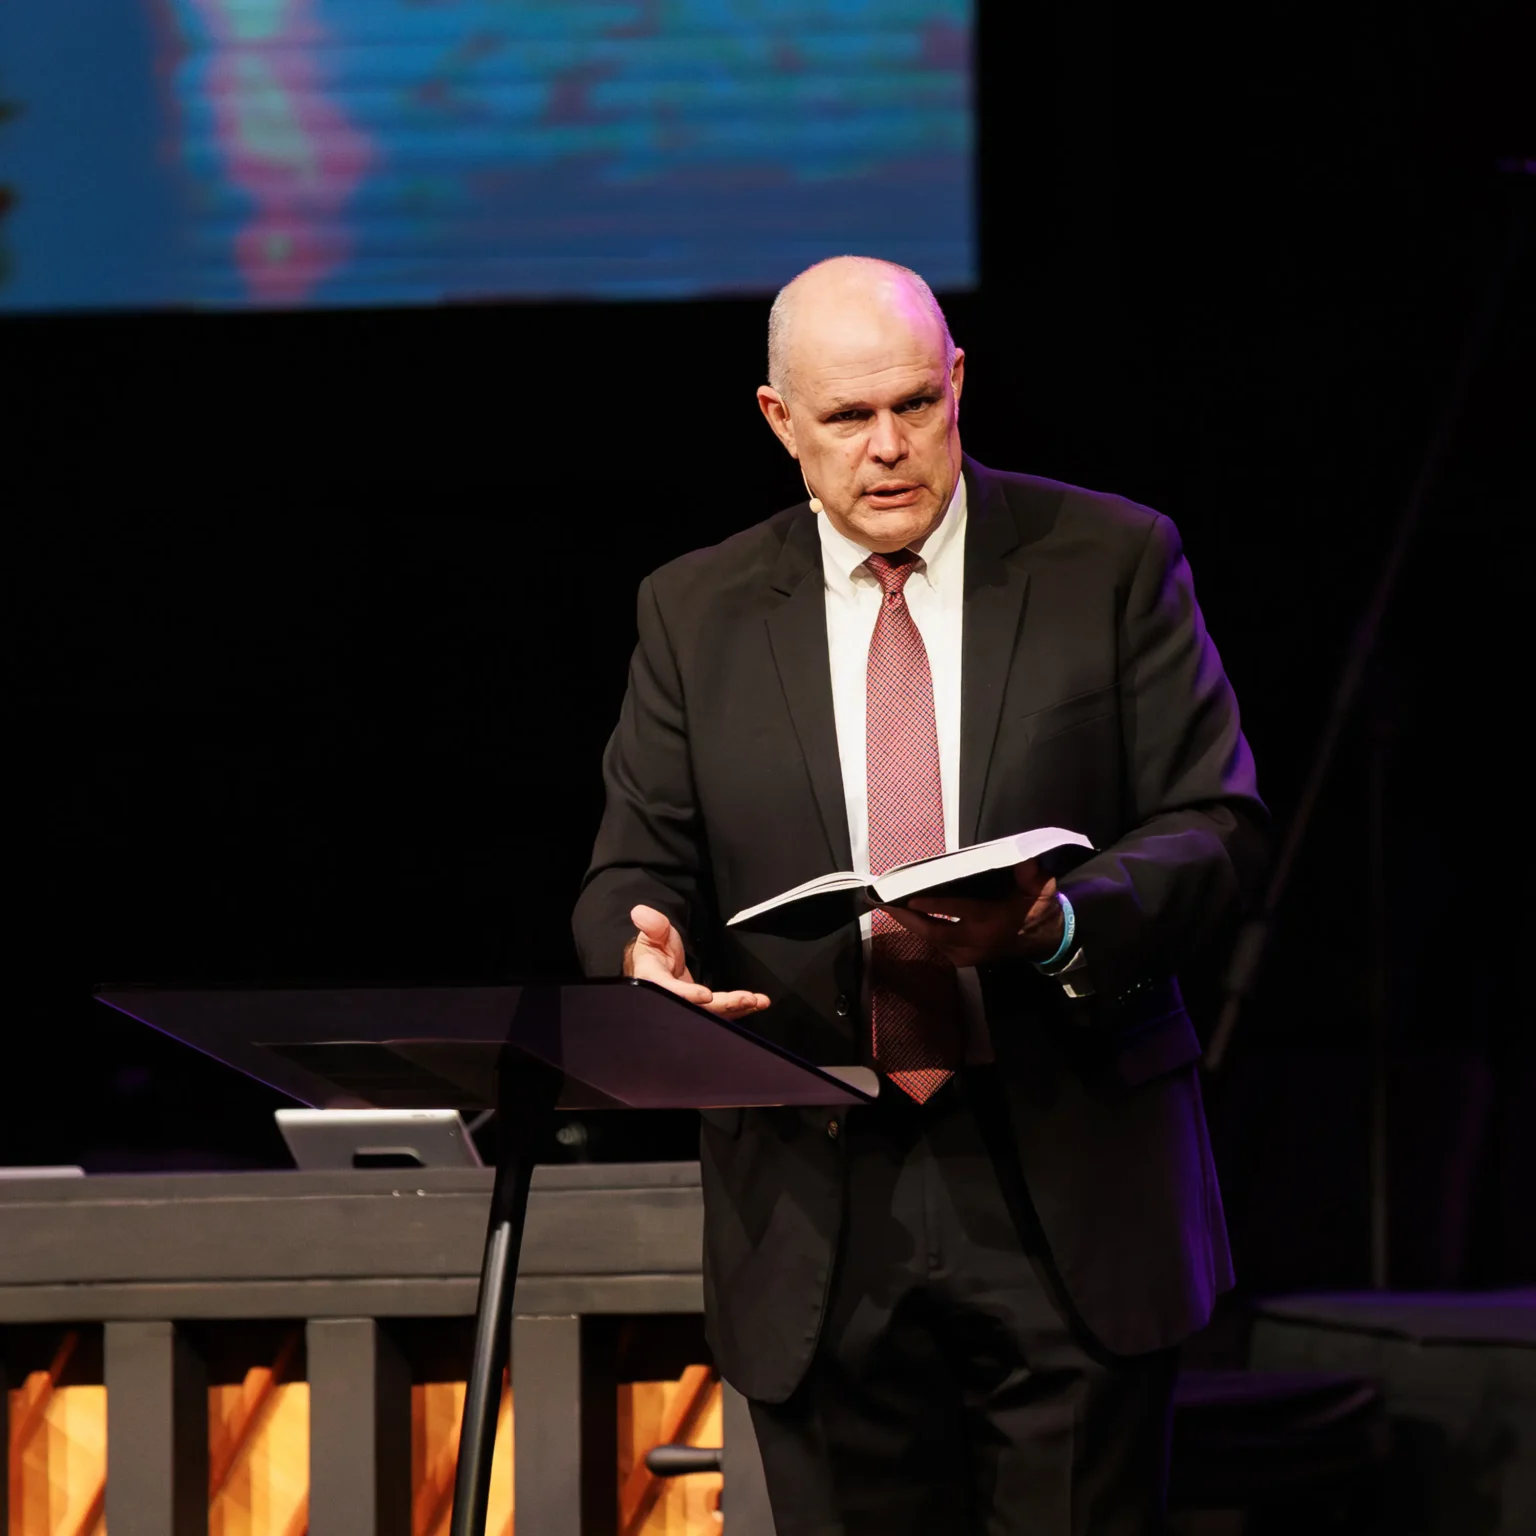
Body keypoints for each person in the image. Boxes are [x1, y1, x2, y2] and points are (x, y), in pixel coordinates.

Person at [573, 256, 1267, 1535]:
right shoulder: (693, 609)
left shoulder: (1109, 558)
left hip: (1067, 1170)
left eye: (915, 405)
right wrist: (642, 956)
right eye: (848, 418)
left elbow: (1216, 827)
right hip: (817, 1192)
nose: (888, 448)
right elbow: (636, 865)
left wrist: (1058, 924)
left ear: (958, 383)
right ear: (780, 421)